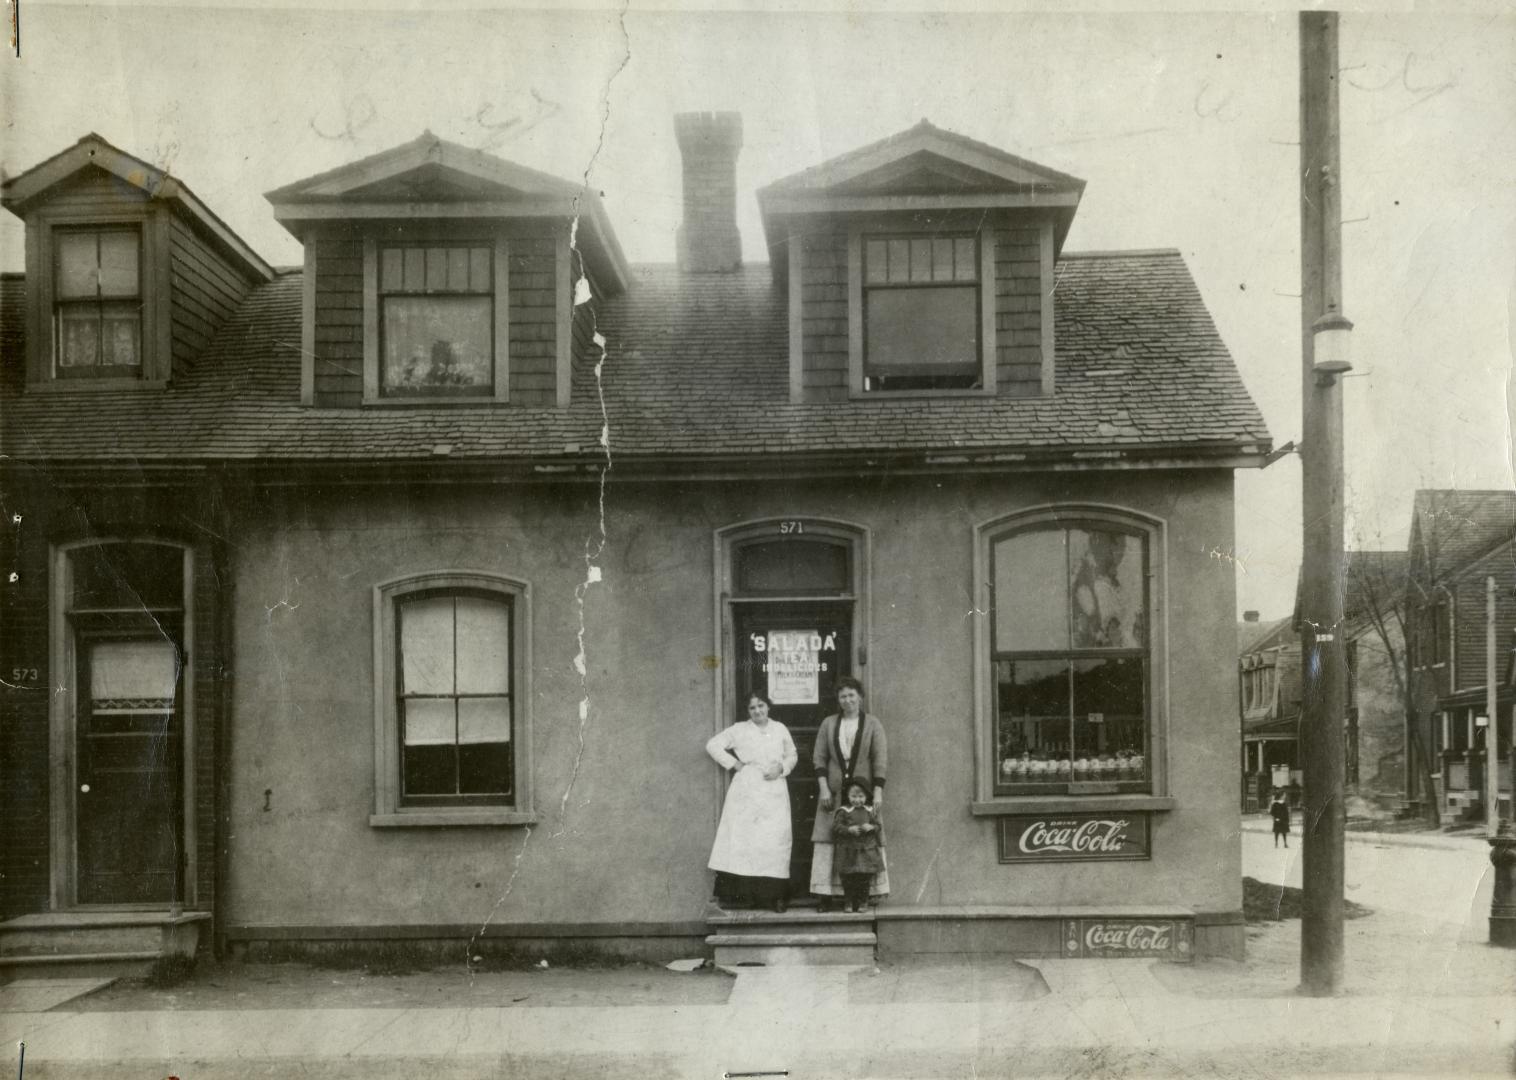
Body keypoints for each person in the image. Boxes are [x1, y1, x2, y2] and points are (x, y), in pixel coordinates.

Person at [706, 693, 798, 912]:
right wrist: (735, 764)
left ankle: (776, 897)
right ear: (747, 711)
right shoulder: (739, 729)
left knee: (774, 842)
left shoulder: (779, 728)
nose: (757, 711)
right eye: (752, 708)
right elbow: (713, 745)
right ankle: (746, 897)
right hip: (747, 789)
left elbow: (792, 754)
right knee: (748, 841)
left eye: (761, 705)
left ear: (768, 706)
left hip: (774, 788)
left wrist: (782, 768)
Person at [810, 676, 888, 910]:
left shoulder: (873, 724)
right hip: (833, 794)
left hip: (861, 795)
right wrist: (824, 787)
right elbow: (819, 757)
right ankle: (825, 895)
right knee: (827, 837)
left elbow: (880, 760)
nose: (847, 700)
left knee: (864, 838)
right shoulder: (829, 723)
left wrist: (877, 792)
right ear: (838, 700)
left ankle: (865, 895)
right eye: (843, 696)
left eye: (852, 695)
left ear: (860, 698)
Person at [831, 778, 885, 913]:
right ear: (848, 796)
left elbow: (879, 826)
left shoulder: (869, 810)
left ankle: (863, 902)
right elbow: (836, 827)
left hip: (865, 850)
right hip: (849, 850)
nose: (857, 800)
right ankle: (848, 902)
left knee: (864, 877)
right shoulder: (844, 811)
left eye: (861, 796)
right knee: (848, 877)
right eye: (853, 796)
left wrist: (871, 827)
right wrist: (848, 830)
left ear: (866, 796)